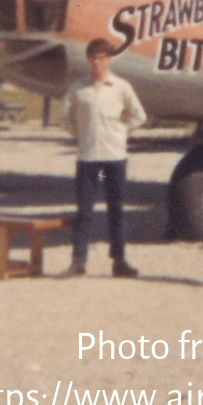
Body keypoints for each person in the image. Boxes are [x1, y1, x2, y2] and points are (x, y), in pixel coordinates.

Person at [62, 38, 146, 277]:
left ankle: (119, 260)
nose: (97, 63)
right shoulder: (79, 88)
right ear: (88, 60)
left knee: (116, 210)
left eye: (102, 57)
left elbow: (138, 115)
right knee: (84, 210)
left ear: (109, 59)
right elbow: (64, 115)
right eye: (93, 58)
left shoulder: (120, 87)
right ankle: (78, 261)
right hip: (88, 156)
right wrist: (78, 132)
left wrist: (121, 132)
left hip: (114, 156)